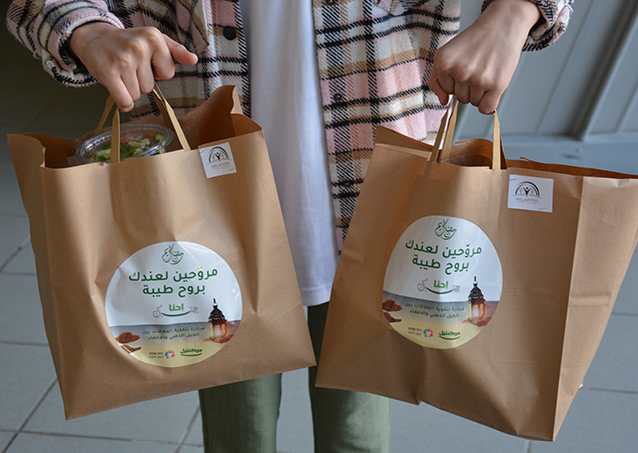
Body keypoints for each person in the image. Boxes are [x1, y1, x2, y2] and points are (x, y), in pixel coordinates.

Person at [7, 0, 573, 451]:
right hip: (199, 179)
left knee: (356, 428)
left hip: (378, 166)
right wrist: (84, 28)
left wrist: (513, 11)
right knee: (238, 431)